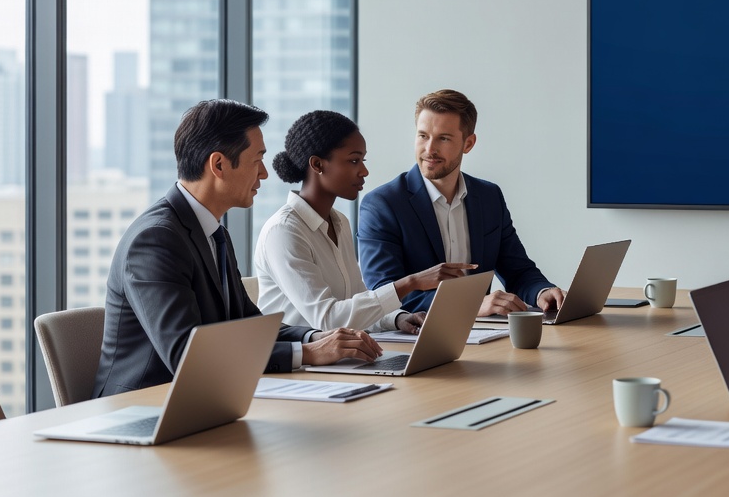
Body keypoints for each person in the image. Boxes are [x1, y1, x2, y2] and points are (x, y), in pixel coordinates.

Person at [92, 100, 385, 398]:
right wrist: (307, 353)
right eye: (257, 159)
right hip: (144, 406)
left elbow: (248, 324)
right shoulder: (155, 240)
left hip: (206, 399)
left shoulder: (214, 232)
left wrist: (319, 337)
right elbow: (186, 354)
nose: (264, 174)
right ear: (218, 164)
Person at [254, 110, 475, 334]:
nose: (364, 170)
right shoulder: (284, 231)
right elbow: (328, 318)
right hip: (298, 362)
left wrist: (397, 319)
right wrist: (411, 282)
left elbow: (356, 302)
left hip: (341, 357)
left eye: (363, 160)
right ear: (318, 165)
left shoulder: (339, 222)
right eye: (353, 160)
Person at [359, 89, 565, 316]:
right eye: (423, 136)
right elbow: (383, 293)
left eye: (443, 138)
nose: (429, 149)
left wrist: (541, 291)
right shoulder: (382, 205)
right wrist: (471, 306)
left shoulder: (489, 197)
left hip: (484, 333)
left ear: (468, 143)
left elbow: (517, 269)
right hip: (417, 338)